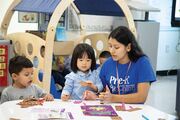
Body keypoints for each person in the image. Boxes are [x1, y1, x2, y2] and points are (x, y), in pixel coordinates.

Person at [83, 26, 156, 103]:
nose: (112, 51)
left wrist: (114, 98)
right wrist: (95, 96)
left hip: (135, 110)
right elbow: (103, 92)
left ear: (128, 47)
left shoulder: (142, 63)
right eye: (110, 46)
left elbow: (141, 97)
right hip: (112, 108)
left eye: (116, 47)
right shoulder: (107, 64)